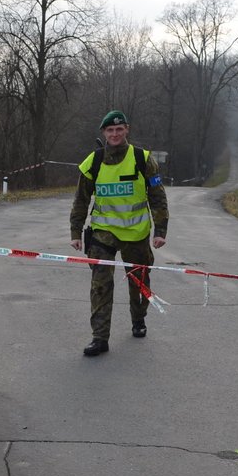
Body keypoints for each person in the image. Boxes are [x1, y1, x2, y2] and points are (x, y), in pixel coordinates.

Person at [69, 110, 169, 356]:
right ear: (104, 133)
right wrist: (75, 231)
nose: (114, 134)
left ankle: (138, 319)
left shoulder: (142, 159)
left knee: (139, 281)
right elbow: (80, 200)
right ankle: (99, 338)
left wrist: (160, 230)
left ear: (126, 130)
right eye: (110, 130)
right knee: (100, 286)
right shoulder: (93, 161)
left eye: (119, 129)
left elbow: (158, 197)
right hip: (103, 235)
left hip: (136, 234)